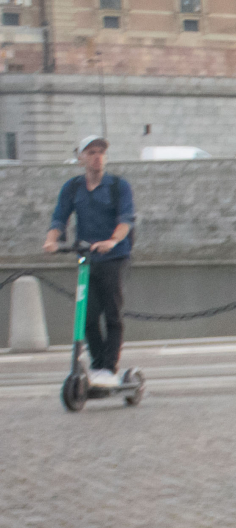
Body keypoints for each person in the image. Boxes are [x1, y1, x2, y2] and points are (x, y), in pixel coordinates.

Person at [42, 135, 137, 391]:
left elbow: (126, 220)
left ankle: (109, 368)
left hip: (114, 258)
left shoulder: (119, 186)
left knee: (112, 314)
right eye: (92, 152)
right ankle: (97, 364)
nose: (97, 157)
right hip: (87, 258)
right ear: (81, 157)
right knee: (86, 317)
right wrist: (51, 242)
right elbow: (59, 219)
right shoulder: (72, 188)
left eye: (101, 152)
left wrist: (112, 241)